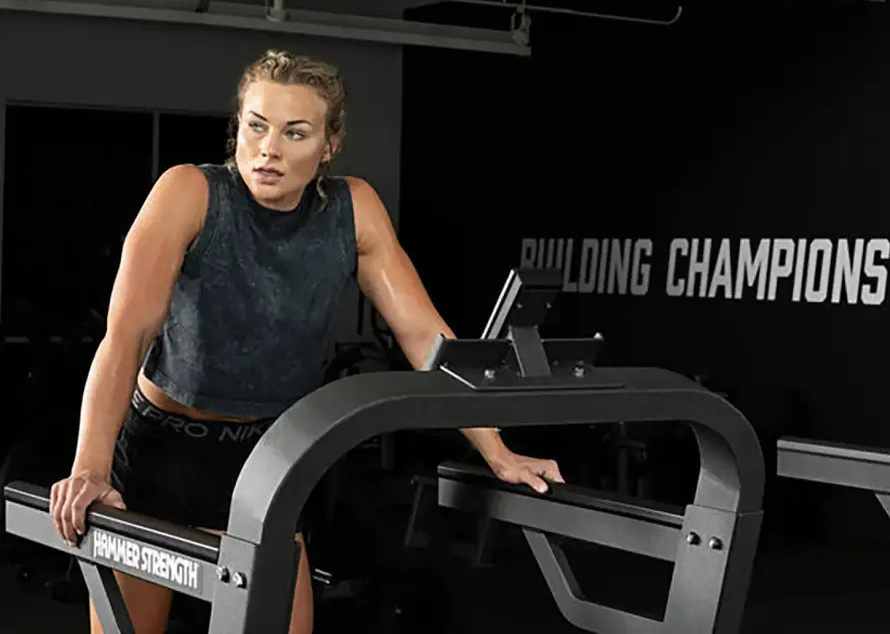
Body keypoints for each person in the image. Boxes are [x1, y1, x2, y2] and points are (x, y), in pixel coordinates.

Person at [48, 49, 565, 634]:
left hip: (268, 456)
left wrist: (495, 448)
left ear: (329, 145)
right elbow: (127, 334)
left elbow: (424, 335)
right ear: (238, 127)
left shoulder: (354, 208)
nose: (269, 148)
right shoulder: (189, 193)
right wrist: (90, 467)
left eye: (295, 133)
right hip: (160, 454)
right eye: (256, 126)